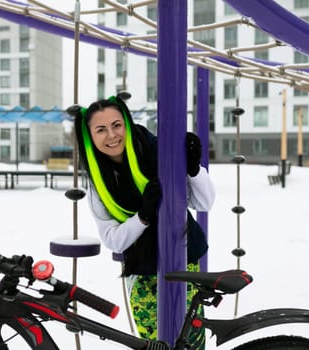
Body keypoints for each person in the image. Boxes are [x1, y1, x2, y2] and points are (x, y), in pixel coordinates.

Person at [72, 93, 215, 348]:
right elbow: (113, 240)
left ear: (127, 123)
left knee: (190, 342)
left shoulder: (157, 152)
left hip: (184, 260)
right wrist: (143, 217)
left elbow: (203, 203)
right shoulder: (99, 183)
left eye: (117, 125)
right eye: (101, 130)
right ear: (90, 137)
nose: (112, 135)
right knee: (155, 344)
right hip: (142, 273)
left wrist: (193, 169)